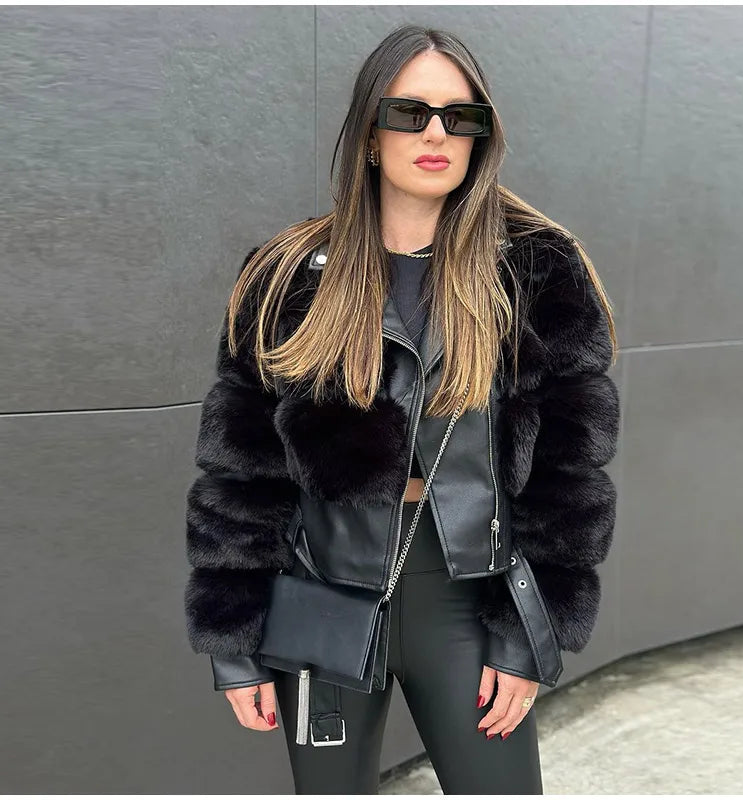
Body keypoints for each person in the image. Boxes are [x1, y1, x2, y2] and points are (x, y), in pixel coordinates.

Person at [184, 23, 620, 795]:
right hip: (322, 595)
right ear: (369, 135)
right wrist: (234, 638)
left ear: (483, 138)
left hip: (469, 602)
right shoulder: (286, 278)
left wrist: (527, 634)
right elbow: (239, 477)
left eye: (462, 116)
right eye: (408, 111)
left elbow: (570, 478)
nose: (436, 134)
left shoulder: (534, 273)